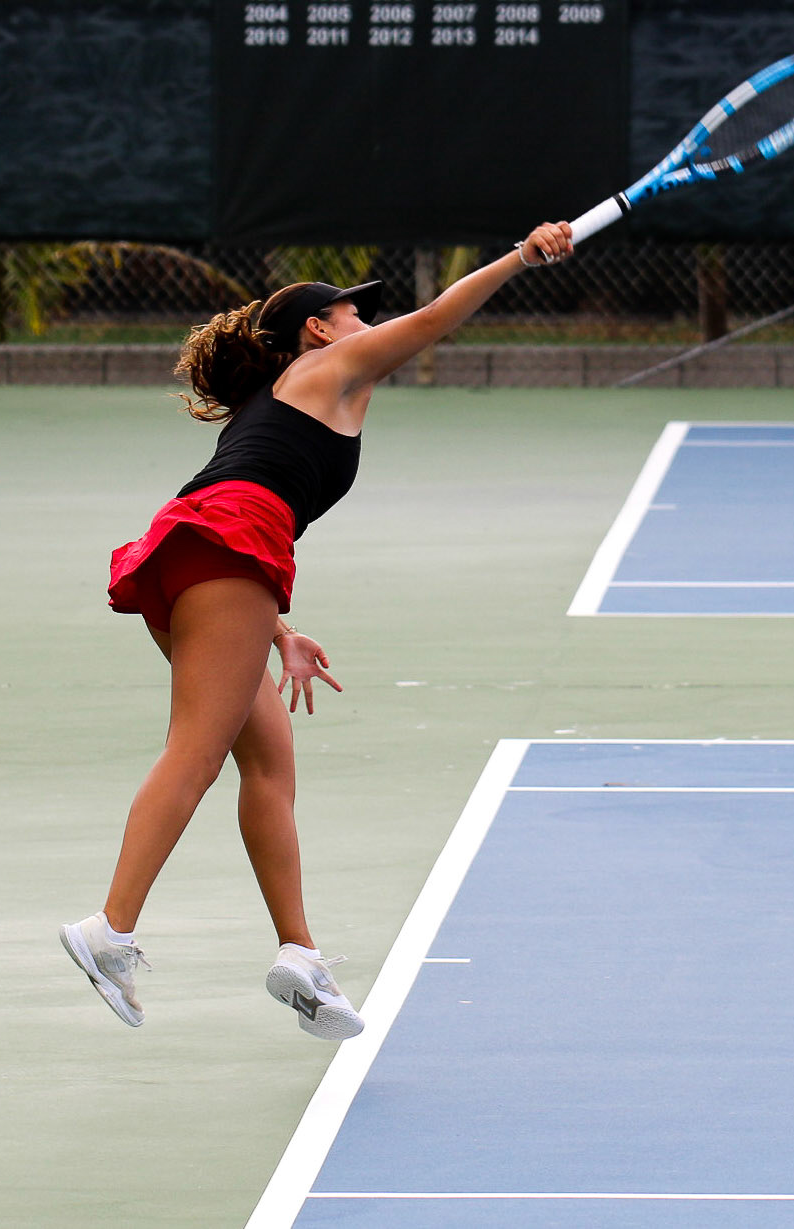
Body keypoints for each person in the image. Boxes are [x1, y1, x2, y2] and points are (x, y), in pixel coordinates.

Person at [60, 222, 575, 1033]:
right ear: (317, 329)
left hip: (207, 553)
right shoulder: (328, 366)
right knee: (195, 752)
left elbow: (233, 500)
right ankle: (110, 928)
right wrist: (521, 256)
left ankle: (299, 954)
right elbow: (435, 318)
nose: (366, 322)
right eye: (352, 312)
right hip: (227, 549)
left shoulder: (289, 396)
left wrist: (276, 633)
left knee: (269, 765)